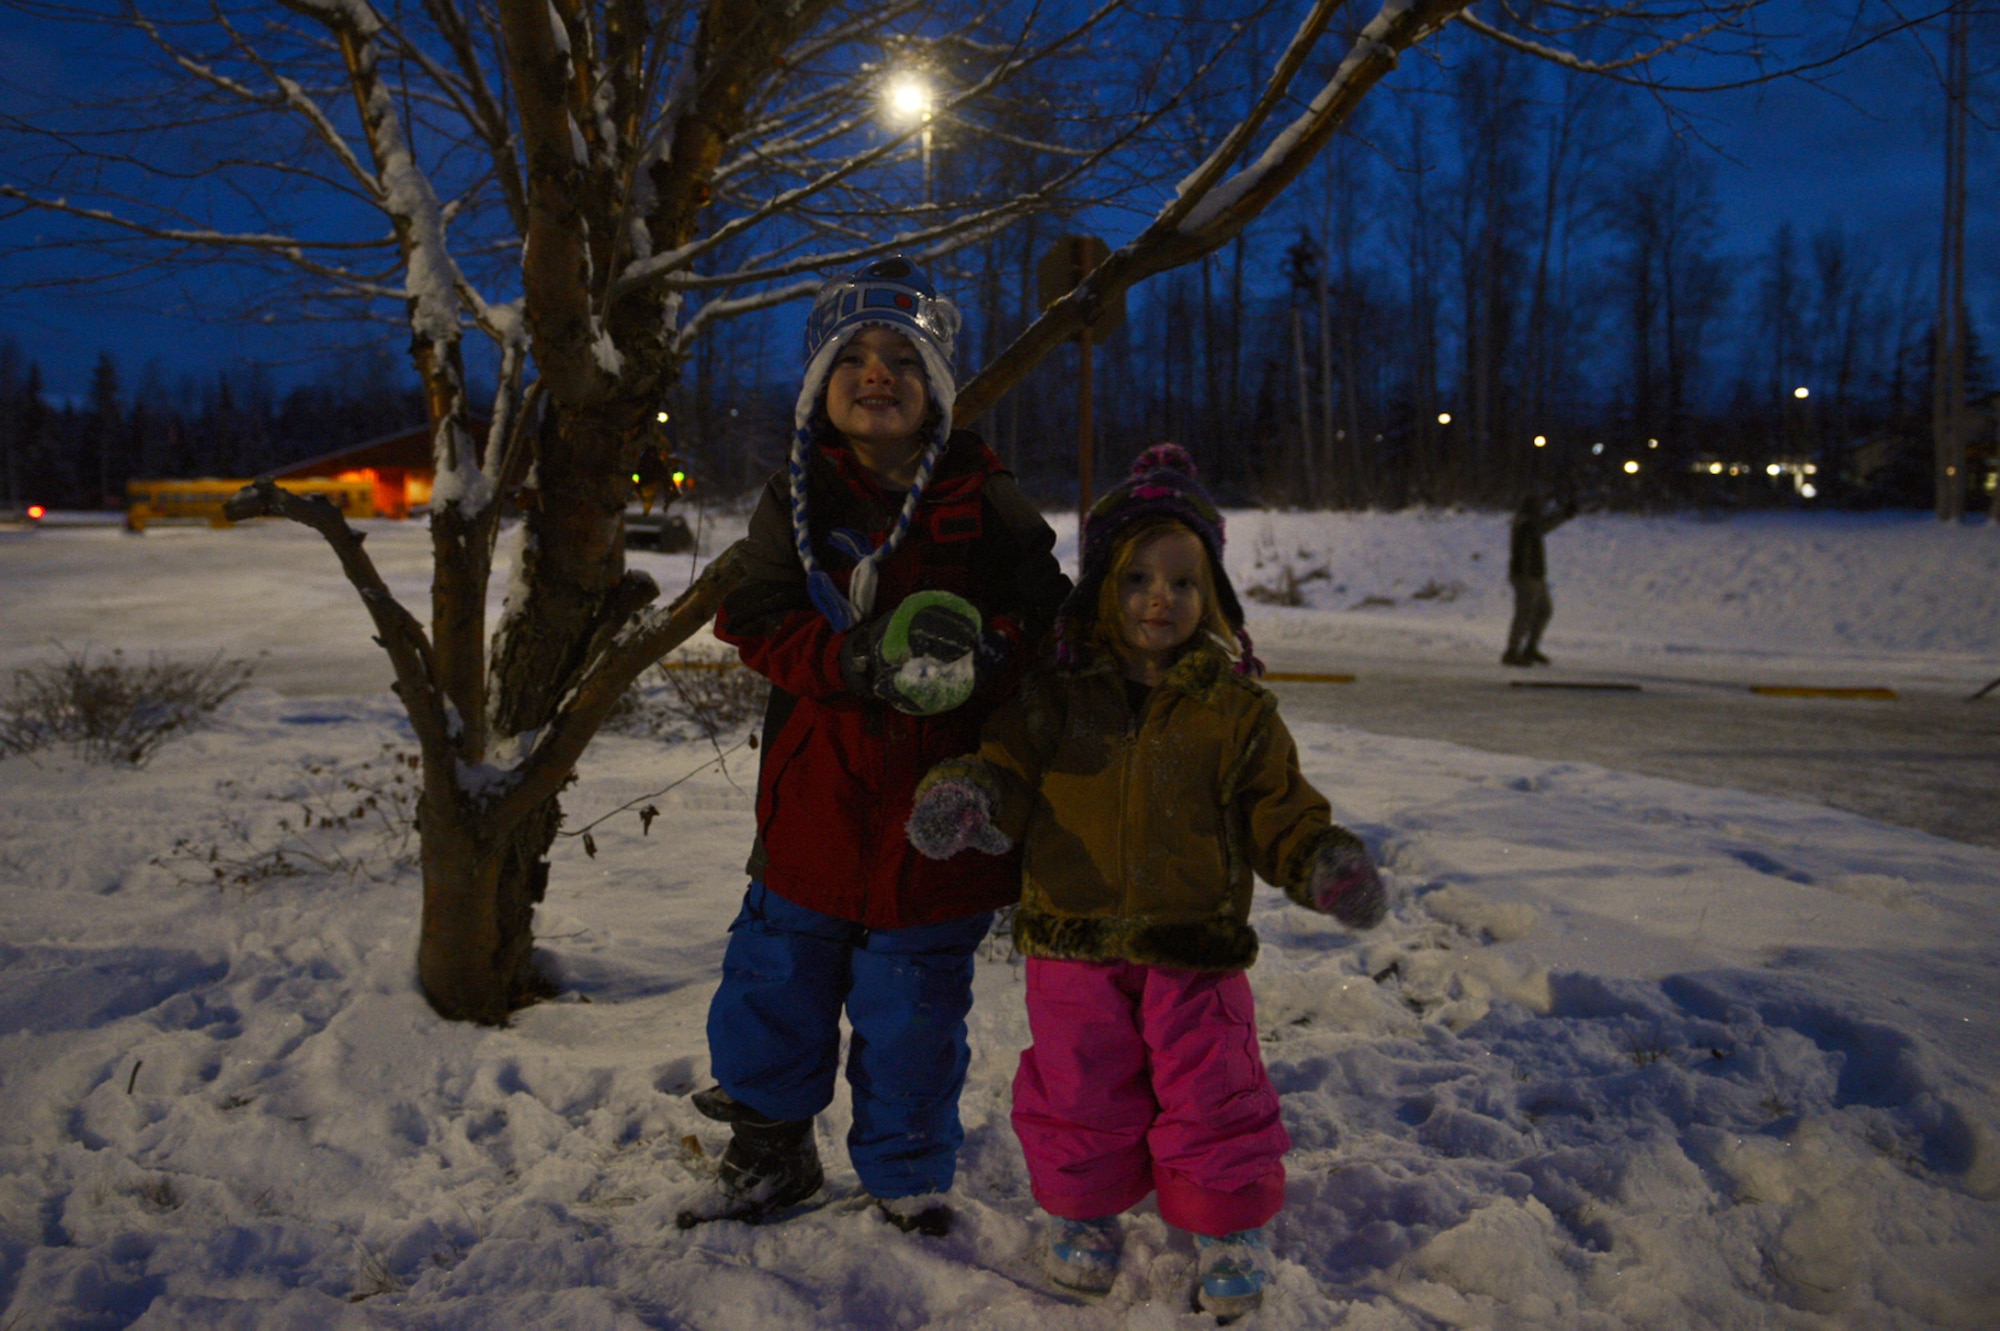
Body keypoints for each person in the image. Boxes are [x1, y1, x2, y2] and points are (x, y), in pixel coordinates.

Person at [904, 444, 1387, 1318]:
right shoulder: (1054, 695)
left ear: (1215, 599)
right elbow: (1005, 765)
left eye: (1183, 582)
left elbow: (1279, 809)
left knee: (1214, 1085)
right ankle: (1085, 1212)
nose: (1159, 599)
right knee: (1078, 1083)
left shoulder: (1235, 713)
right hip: (1071, 938)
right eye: (1136, 579)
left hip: (1191, 941)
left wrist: (1321, 863)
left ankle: (1228, 1219)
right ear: (1101, 590)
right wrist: (969, 793)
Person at [686, 256, 1070, 1236]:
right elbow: (755, 613)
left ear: (934, 389)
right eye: (851, 356)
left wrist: (990, 656)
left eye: (901, 357)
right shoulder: (797, 500)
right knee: (773, 986)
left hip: (938, 818)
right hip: (813, 803)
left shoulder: (981, 494)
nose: (875, 371)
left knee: (913, 1011)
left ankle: (907, 1172)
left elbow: (1049, 613)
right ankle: (768, 1151)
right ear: (820, 386)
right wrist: (849, 658)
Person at [1502, 491, 1579, 667]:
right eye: (1539, 505)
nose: (1541, 508)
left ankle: (1529, 648)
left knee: (1544, 611)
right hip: (1525, 575)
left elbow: (1543, 526)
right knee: (1525, 614)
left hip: (1535, 574)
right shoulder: (1524, 523)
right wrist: (1563, 515)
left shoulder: (1528, 522)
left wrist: (1563, 515)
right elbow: (1541, 527)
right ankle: (1512, 651)